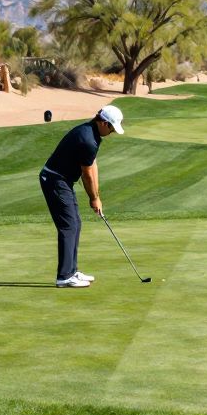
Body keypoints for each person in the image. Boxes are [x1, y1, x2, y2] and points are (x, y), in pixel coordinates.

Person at [39, 105, 124, 288]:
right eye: (111, 128)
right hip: (54, 180)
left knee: (75, 223)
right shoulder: (87, 139)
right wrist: (93, 198)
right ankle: (64, 276)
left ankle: (72, 270)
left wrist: (97, 196)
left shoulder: (92, 134)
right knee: (69, 226)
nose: (112, 132)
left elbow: (92, 166)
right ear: (102, 122)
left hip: (62, 180)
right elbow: (86, 175)